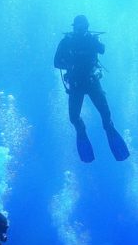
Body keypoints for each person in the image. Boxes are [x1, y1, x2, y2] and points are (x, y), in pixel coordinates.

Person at [54, 14, 129, 163]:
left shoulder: (91, 39)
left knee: (105, 114)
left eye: (84, 27)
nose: (81, 29)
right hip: (76, 83)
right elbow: (56, 62)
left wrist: (92, 40)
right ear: (74, 27)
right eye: (79, 27)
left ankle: (109, 128)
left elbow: (102, 49)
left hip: (91, 81)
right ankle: (81, 131)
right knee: (74, 118)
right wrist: (70, 65)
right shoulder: (67, 41)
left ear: (87, 27)